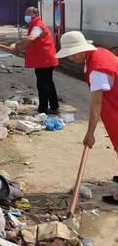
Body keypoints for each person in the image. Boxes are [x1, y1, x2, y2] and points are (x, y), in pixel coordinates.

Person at [56, 31, 118, 205]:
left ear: (80, 50)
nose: (69, 58)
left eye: (70, 54)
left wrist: (90, 133)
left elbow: (96, 103)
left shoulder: (97, 69)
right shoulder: (100, 53)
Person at [11, 7, 59, 115]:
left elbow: (31, 38)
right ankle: (54, 106)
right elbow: (33, 43)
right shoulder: (36, 25)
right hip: (45, 59)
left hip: (44, 60)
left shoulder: (38, 26)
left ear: (34, 14)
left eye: (28, 13)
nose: (26, 15)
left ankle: (43, 109)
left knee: (42, 84)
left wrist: (17, 46)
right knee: (48, 83)